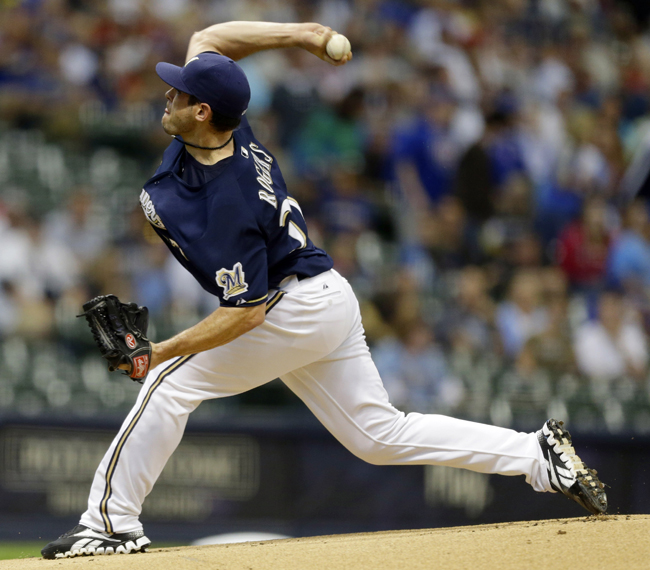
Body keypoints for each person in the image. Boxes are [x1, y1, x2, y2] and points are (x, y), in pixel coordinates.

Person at [41, 21, 607, 560]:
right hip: (322, 295)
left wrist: (157, 351)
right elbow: (209, 39)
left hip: (292, 306)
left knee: (167, 381)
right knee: (378, 435)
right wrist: (302, 36)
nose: (168, 93)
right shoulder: (232, 130)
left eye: (180, 93)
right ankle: (537, 456)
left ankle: (112, 526)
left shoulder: (227, 201)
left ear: (202, 111)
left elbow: (247, 313)